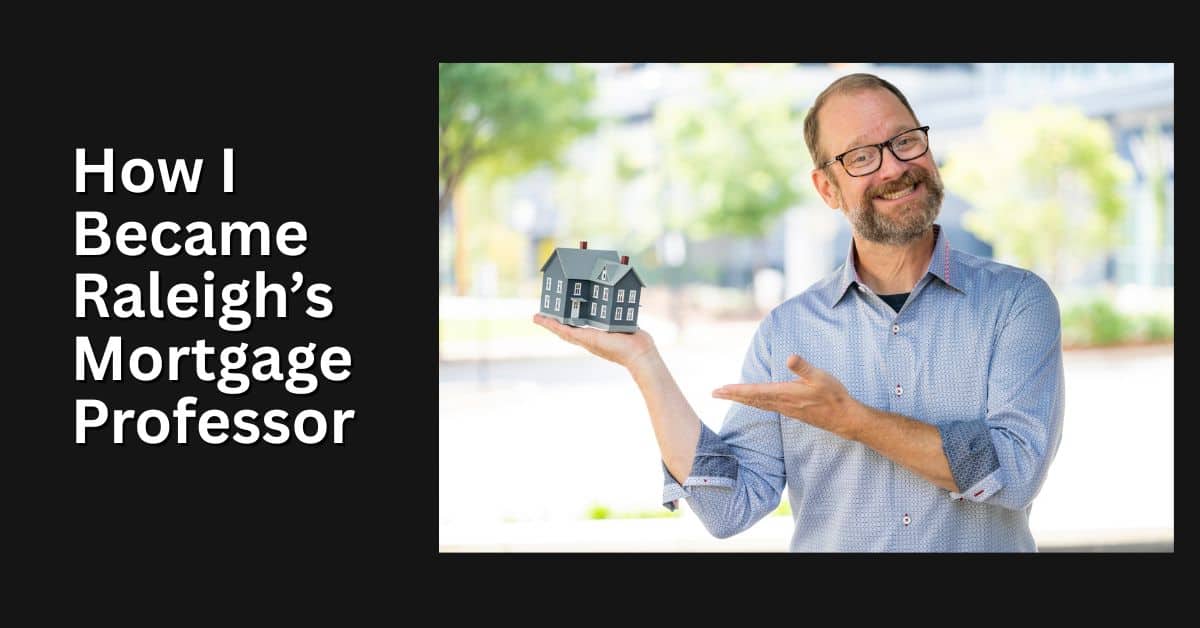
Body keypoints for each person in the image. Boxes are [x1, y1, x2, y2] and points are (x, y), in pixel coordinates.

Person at [532, 73, 1065, 552]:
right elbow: (728, 510)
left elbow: (1014, 472)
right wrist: (643, 360)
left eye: (906, 141)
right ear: (827, 188)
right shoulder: (788, 332)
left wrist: (852, 421)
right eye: (861, 156)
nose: (896, 167)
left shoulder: (1016, 302)